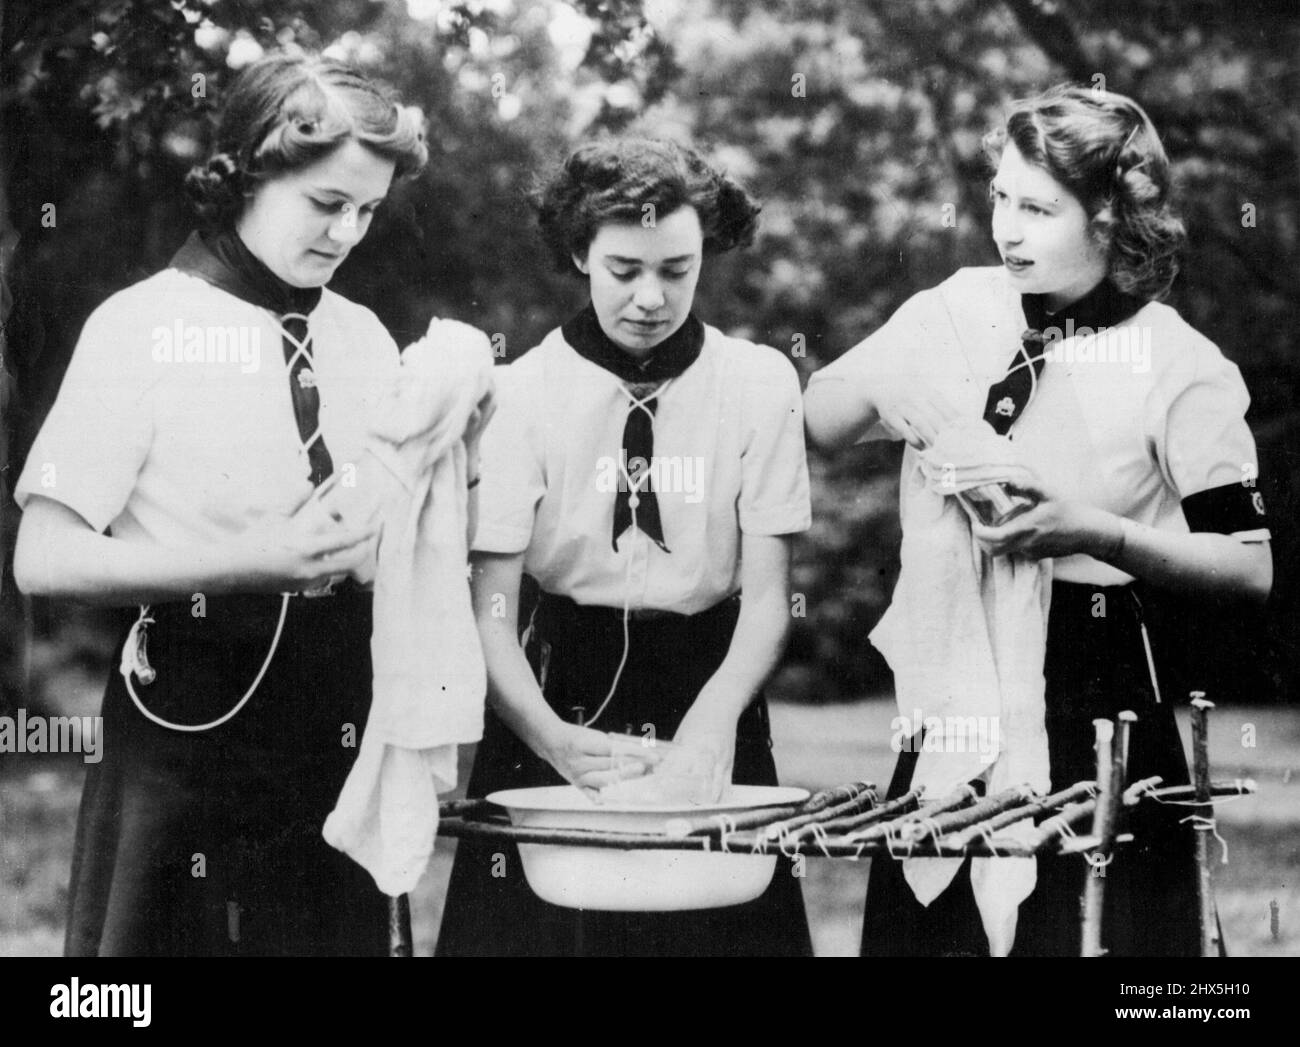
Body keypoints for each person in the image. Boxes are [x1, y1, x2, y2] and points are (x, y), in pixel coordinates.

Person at [11, 52, 474, 955]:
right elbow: (45, 556)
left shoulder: (363, 335)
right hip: (189, 712)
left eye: (368, 211)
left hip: (338, 714)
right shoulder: (141, 326)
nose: (346, 234)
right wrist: (247, 562)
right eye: (325, 204)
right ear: (245, 177)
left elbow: (391, 530)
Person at [804, 84, 1272, 957]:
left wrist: (1095, 531)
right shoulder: (956, 307)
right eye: (999, 200)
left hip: (1092, 691)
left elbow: (1249, 566)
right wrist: (874, 384)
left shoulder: (1179, 363)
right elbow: (817, 420)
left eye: (1037, 208)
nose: (1006, 229)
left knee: (1086, 935)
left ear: (1109, 216)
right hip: (952, 684)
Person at [435, 137, 815, 957]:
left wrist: (713, 726)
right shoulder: (518, 393)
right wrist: (550, 738)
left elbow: (768, 600)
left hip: (711, 678)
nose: (651, 297)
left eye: (677, 270)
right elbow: (491, 610)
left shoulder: (758, 385)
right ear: (579, 252)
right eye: (624, 269)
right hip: (551, 683)